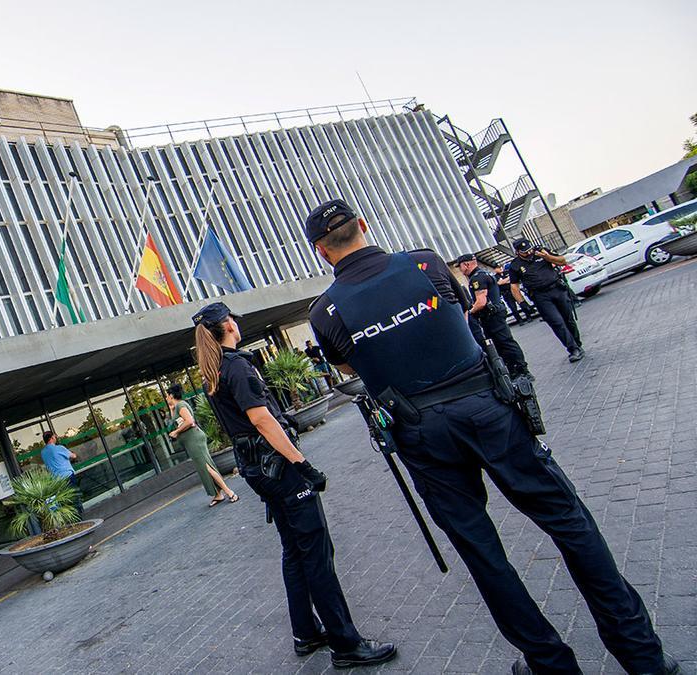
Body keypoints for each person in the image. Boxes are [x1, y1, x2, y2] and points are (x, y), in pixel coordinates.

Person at [304, 198, 677, 675]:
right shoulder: (425, 263)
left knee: (483, 553)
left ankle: (549, 663)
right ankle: (642, 656)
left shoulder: (326, 311)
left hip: (421, 431)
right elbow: (458, 320)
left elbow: (351, 368)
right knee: (568, 520)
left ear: (320, 251)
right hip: (487, 406)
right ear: (363, 225)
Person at [192, 302, 396, 668]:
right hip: (278, 468)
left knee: (294, 549)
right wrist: (302, 464)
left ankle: (306, 631)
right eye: (233, 319)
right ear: (227, 325)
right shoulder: (237, 366)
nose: (237, 323)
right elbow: (262, 420)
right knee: (316, 551)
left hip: (256, 469)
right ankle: (346, 644)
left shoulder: (215, 370)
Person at [508, 237, 585, 362]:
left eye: (529, 249)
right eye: (525, 252)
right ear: (517, 252)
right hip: (540, 296)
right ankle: (572, 349)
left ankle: (577, 343)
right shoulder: (515, 265)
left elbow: (562, 261)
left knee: (568, 319)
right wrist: (522, 303)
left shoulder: (542, 252)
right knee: (557, 322)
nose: (529, 253)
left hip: (557, 289)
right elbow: (514, 286)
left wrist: (547, 257)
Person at [452, 253, 529, 376]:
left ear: (466, 264)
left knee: (505, 343)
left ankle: (522, 370)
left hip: (492, 316)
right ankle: (515, 369)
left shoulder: (477, 278)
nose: (460, 270)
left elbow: (481, 302)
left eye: (460, 266)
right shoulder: (483, 274)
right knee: (502, 344)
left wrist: (470, 312)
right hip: (494, 314)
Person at [164, 383, 239, 507]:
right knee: (203, 468)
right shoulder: (177, 407)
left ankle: (229, 492)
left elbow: (190, 421)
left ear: (171, 395)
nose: (166, 398)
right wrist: (171, 408)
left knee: (207, 467)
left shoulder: (181, 405)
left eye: (167, 395)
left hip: (195, 441)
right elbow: (176, 422)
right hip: (191, 442)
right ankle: (218, 495)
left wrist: (176, 432)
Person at [40, 431, 83, 516]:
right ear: (51, 438)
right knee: (75, 498)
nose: (56, 438)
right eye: (55, 437)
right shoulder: (59, 448)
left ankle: (72, 517)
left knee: (66, 500)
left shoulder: (43, 452)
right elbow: (73, 456)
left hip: (57, 481)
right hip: (68, 476)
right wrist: (73, 453)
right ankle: (79, 517)